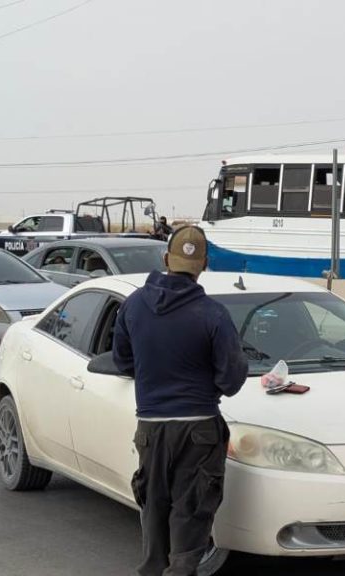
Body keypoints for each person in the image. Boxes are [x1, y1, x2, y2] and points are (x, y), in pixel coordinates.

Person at [113, 225, 248, 576]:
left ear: (165, 259)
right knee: (191, 511)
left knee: (154, 509)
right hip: (199, 429)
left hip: (151, 428)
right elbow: (231, 380)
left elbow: (122, 361)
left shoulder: (133, 306)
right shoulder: (213, 314)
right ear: (203, 264)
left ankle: (153, 569)